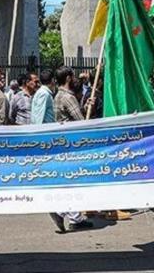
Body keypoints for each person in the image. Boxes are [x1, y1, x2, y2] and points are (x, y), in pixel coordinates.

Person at [48, 66, 93, 233]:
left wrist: (87, 105)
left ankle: (75, 217)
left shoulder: (58, 95)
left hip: (63, 142)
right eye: (72, 76)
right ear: (67, 78)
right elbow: (80, 121)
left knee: (71, 180)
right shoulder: (67, 97)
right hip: (73, 143)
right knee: (75, 180)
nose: (74, 79)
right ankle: (63, 212)